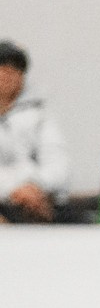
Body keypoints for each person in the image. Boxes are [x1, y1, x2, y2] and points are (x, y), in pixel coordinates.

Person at [0, 41, 77, 224]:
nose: (6, 77)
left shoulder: (40, 115)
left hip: (36, 200)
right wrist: (12, 190)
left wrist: (35, 187)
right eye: (2, 69)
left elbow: (59, 165)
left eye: (13, 71)